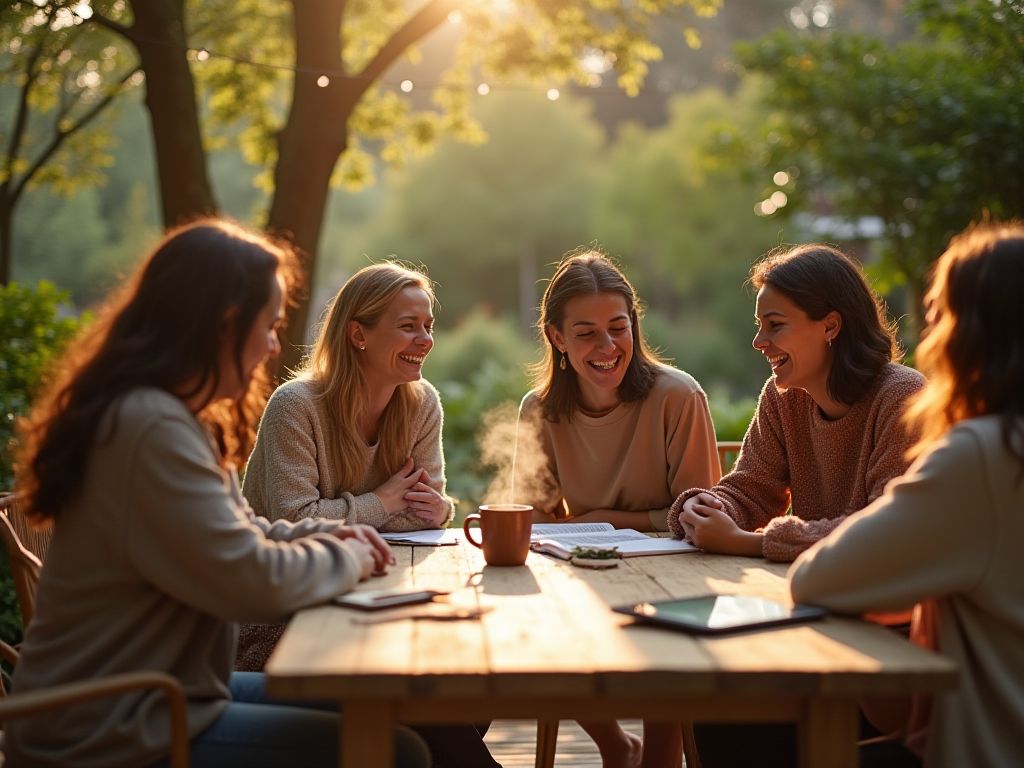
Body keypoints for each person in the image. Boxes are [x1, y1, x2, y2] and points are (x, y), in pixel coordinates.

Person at [7, 220, 429, 768]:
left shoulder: (170, 417)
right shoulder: (150, 429)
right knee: (397, 752)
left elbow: (244, 532)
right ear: (227, 324)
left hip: (173, 695)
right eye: (271, 326)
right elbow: (247, 581)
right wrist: (347, 552)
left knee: (393, 707)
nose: (275, 345)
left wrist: (335, 531)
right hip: (111, 725)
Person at [238, 261, 499, 768]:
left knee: (464, 686)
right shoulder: (295, 407)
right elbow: (294, 521)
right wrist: (384, 502)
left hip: (379, 612)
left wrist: (432, 507)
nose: (425, 339)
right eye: (408, 326)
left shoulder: (422, 404)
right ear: (358, 334)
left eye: (428, 326)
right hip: (287, 626)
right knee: (428, 705)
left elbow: (426, 514)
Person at [790, 223, 1024, 768]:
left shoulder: (984, 456)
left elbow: (818, 578)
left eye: (940, 312)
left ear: (970, 334)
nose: (930, 330)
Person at [516, 248, 720, 768]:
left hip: (676, 575)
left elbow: (699, 517)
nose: (607, 346)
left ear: (634, 325)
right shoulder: (538, 411)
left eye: (618, 327)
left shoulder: (678, 397)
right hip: (586, 572)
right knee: (529, 621)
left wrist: (597, 521)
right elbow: (534, 519)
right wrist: (577, 531)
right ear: (557, 337)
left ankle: (658, 759)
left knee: (668, 629)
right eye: (585, 332)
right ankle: (614, 744)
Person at [670, 243, 925, 563]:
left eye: (775, 324)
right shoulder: (782, 398)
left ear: (830, 326)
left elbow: (887, 531)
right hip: (815, 588)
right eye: (759, 325)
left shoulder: (904, 397)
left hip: (889, 604)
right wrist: (708, 509)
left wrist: (746, 542)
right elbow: (750, 492)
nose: (759, 341)